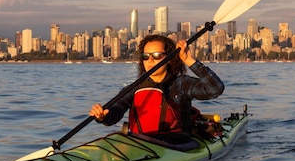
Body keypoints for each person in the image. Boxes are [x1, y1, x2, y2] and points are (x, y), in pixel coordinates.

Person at [89, 35, 224, 136]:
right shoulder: (135, 88)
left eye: (157, 55)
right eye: (146, 56)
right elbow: (115, 111)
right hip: (142, 142)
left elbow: (215, 89)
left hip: (178, 143)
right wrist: (102, 116)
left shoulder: (182, 83)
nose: (151, 60)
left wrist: (189, 60)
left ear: (169, 59)